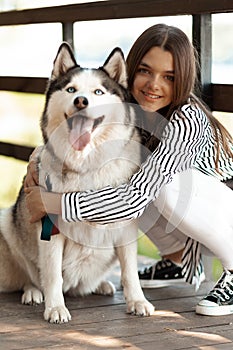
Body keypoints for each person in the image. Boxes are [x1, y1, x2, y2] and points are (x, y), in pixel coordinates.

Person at [24, 24, 233, 316]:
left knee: (159, 185)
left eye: (169, 77)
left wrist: (55, 203)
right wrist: (38, 162)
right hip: (192, 228)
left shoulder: (188, 121)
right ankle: (177, 261)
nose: (153, 85)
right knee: (131, 174)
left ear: (183, 80)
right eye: (145, 71)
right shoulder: (126, 106)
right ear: (130, 71)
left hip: (225, 217)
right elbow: (69, 134)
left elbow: (134, 199)